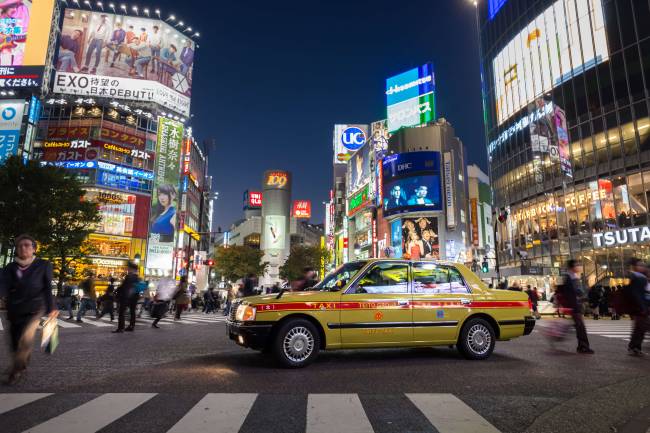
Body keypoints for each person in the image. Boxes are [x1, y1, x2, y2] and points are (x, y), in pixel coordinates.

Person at [3, 234, 57, 385]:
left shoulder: (44, 265)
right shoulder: (10, 267)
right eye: (20, 246)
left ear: (34, 249)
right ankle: (22, 364)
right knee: (14, 340)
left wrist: (51, 307)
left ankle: (16, 370)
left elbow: (47, 287)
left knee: (25, 340)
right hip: (14, 309)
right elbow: (3, 286)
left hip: (35, 308)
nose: (23, 248)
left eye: (27, 245)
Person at [557, 259, 593, 354]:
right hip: (573, 306)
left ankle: (560, 336)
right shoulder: (568, 277)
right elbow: (567, 292)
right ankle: (583, 346)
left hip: (574, 305)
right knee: (580, 327)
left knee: (577, 326)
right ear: (572, 267)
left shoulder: (573, 277)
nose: (579, 267)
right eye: (577, 265)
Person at [624, 258, 649, 356]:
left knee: (640, 328)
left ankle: (634, 347)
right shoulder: (637, 277)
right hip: (639, 307)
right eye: (640, 265)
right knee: (641, 327)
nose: (642, 267)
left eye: (643, 265)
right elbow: (636, 294)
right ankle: (634, 347)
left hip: (640, 306)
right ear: (635, 267)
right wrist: (642, 306)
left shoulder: (640, 277)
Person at [113, 261, 140, 333]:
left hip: (126, 297)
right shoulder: (137, 278)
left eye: (128, 268)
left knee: (122, 312)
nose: (127, 269)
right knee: (132, 311)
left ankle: (121, 328)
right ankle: (131, 326)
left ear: (131, 268)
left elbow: (123, 286)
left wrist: (116, 290)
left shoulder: (129, 276)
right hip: (134, 297)